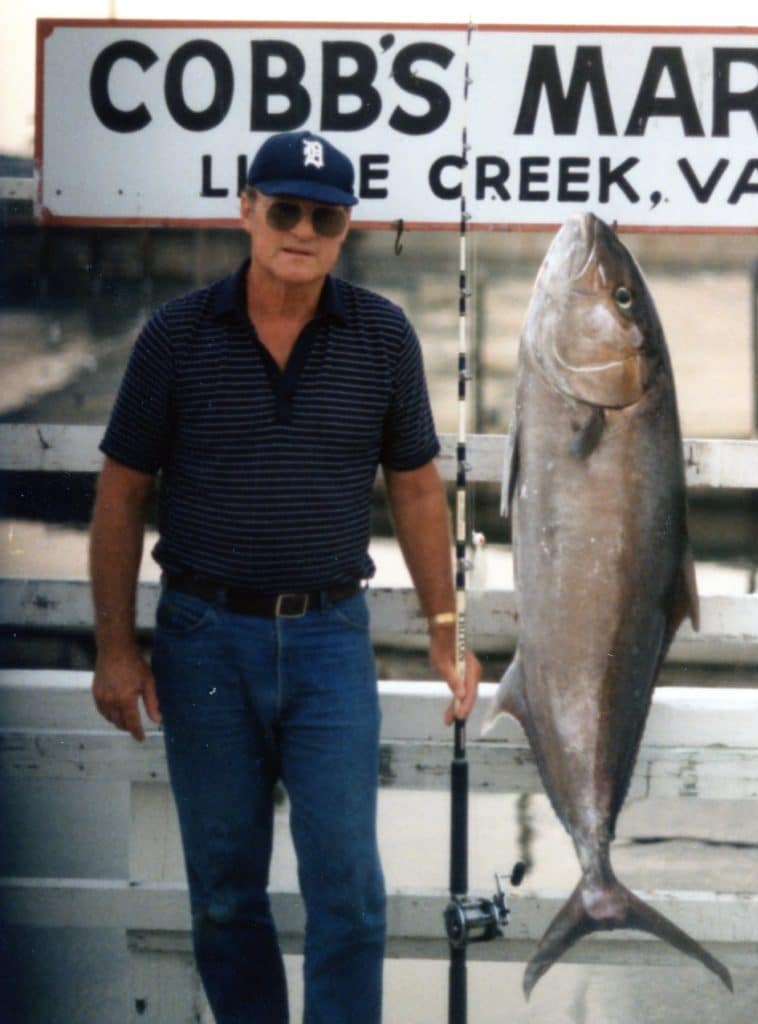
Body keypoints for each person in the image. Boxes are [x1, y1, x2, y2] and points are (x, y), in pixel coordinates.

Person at [89, 129, 481, 1024]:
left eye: (326, 215)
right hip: (203, 642)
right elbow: (121, 496)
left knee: (349, 890)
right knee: (226, 894)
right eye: (285, 208)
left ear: (348, 229)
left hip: (330, 643)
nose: (302, 229)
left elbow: (419, 493)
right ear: (246, 210)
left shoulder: (382, 335)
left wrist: (446, 633)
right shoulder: (174, 336)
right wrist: (115, 648)